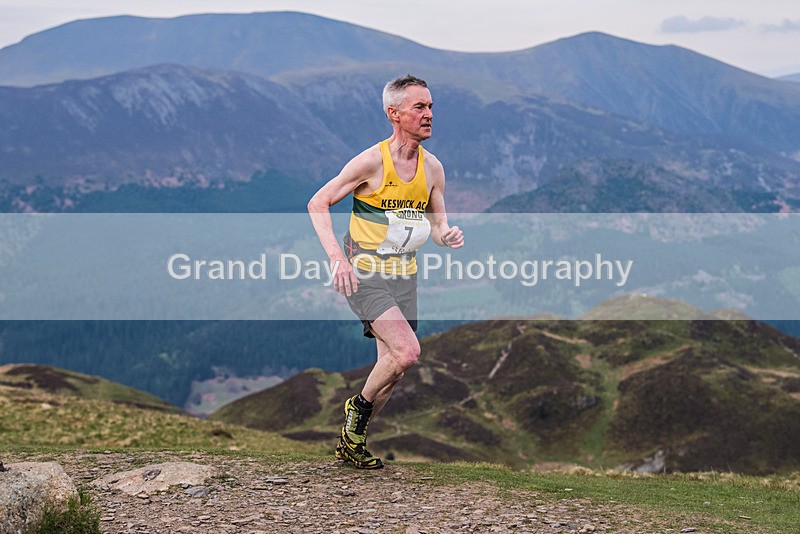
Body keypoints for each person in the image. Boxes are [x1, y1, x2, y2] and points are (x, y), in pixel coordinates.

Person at [307, 74, 464, 469]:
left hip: (403, 275)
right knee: (408, 352)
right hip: (364, 271)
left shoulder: (434, 170)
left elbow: (438, 226)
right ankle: (356, 410)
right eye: (420, 107)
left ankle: (351, 444)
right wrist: (336, 259)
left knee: (392, 370)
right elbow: (318, 202)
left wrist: (448, 235)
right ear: (394, 114)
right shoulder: (372, 161)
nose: (429, 114)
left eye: (430, 106)